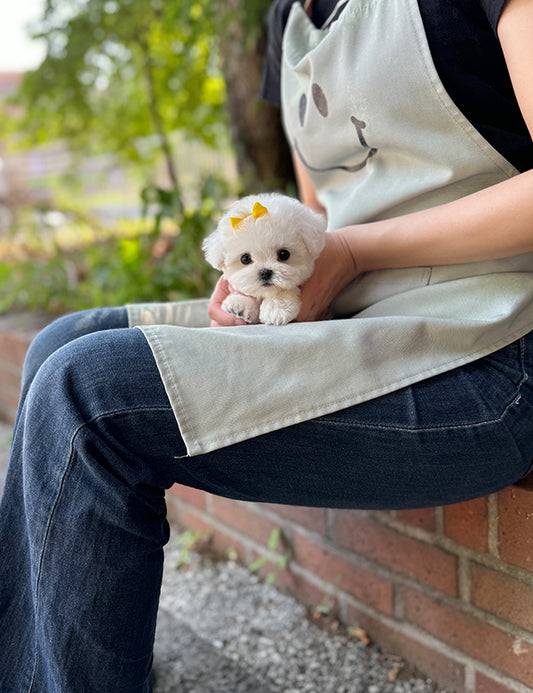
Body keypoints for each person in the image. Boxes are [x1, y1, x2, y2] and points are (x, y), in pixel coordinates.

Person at [1, 0, 533, 690]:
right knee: (62, 342)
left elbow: (344, 237)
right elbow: (317, 217)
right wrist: (257, 284)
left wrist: (351, 252)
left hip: (488, 346)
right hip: (355, 314)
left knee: (88, 392)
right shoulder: (288, 18)